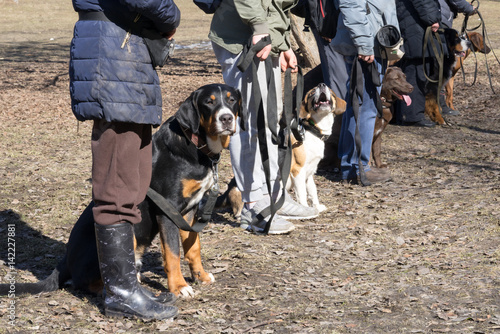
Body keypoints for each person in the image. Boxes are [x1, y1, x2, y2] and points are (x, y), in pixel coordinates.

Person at [69, 0, 180, 320]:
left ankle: (125, 284)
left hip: (120, 45)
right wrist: (172, 15)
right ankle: (120, 295)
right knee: (118, 186)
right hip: (115, 46)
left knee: (133, 180)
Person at [209, 0, 320, 235]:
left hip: (266, 37)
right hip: (243, 38)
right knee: (249, 122)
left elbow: (277, 5)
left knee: (269, 119)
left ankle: (274, 193)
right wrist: (260, 26)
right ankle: (251, 204)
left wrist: (283, 43)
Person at [331, 0, 399, 184]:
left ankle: (351, 167)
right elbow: (351, 6)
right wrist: (364, 44)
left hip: (375, 44)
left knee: (358, 106)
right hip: (368, 47)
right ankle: (358, 168)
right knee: (365, 108)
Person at [394, 0, 475, 127]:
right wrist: (433, 19)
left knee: (414, 69)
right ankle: (412, 116)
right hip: (417, 28)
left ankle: (403, 114)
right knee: (417, 72)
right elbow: (423, 2)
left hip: (411, 24)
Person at [438, 0, 477, 115]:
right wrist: (469, 8)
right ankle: (440, 105)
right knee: (440, 66)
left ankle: (439, 104)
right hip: (440, 19)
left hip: (440, 16)